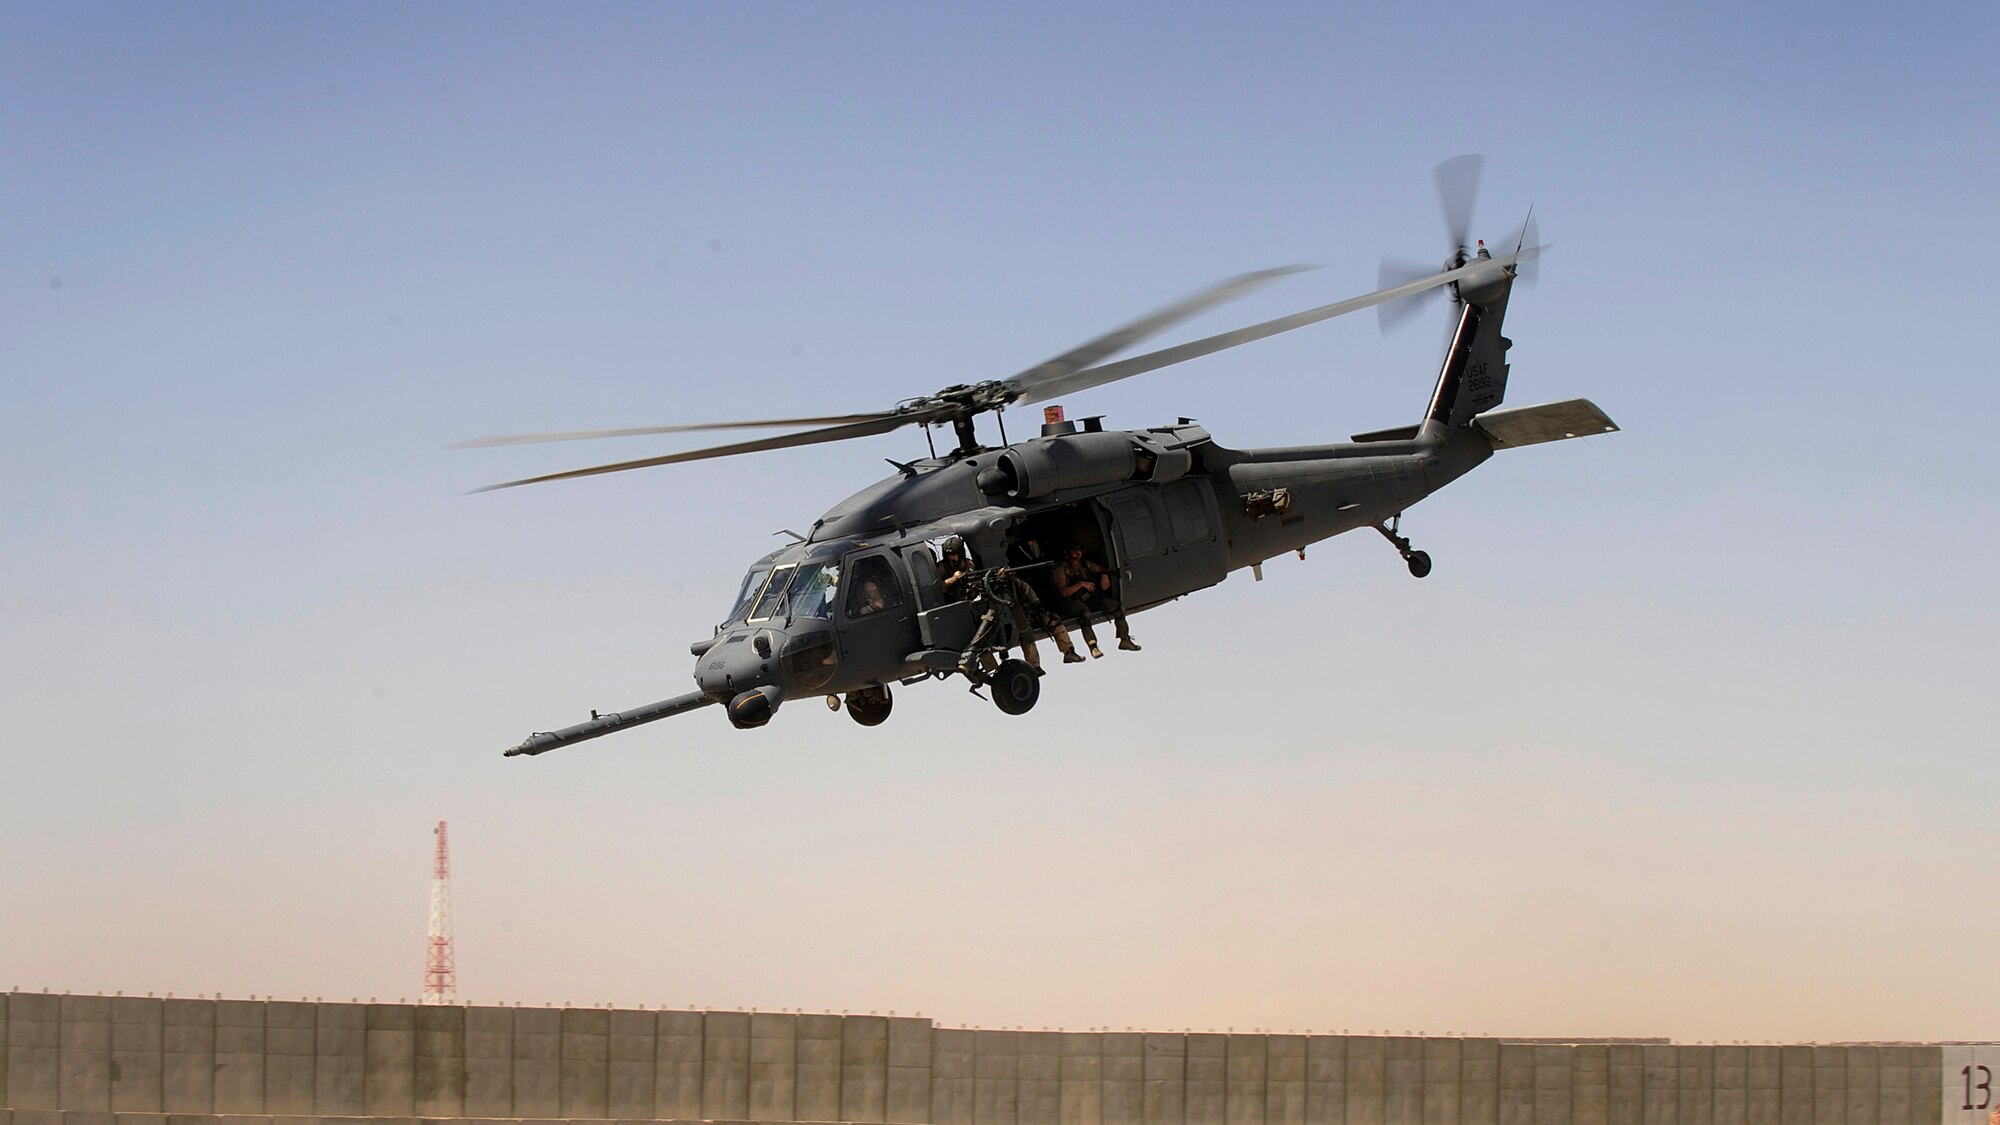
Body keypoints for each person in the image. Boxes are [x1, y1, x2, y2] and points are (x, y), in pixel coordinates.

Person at [1006, 536, 1083, 664]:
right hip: (1016, 619)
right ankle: (1034, 665)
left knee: (1054, 620)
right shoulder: (997, 591)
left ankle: (1069, 652)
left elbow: (1029, 593)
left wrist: (1037, 607)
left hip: (1031, 611)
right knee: (1026, 634)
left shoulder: (1017, 583)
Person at [1053, 542, 1139, 657]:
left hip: (1090, 598)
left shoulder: (1085, 564)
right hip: (1072, 601)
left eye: (1079, 550)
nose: (1078, 553)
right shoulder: (1061, 569)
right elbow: (1064, 592)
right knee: (1085, 614)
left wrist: (1104, 575)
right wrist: (1081, 584)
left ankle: (1124, 639)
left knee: (1117, 607)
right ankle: (1093, 647)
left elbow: (1102, 569)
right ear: (1068, 553)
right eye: (1074, 551)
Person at [937, 538, 977, 602]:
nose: (951, 557)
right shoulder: (942, 567)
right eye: (949, 555)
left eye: (954, 554)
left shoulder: (968, 563)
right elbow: (937, 587)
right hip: (950, 602)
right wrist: (953, 579)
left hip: (968, 600)